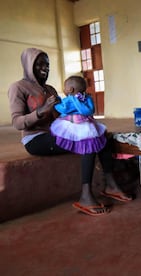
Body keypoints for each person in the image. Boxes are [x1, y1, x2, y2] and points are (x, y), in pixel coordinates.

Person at [8, 48, 132, 217]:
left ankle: (110, 185)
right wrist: (41, 110)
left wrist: (79, 110)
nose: (45, 69)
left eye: (47, 65)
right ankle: (86, 197)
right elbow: (17, 122)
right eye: (39, 65)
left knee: (99, 135)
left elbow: (62, 114)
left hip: (57, 132)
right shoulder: (18, 88)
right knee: (86, 141)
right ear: (29, 65)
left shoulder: (50, 89)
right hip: (35, 138)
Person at [51, 75, 107, 155]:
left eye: (64, 87)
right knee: (88, 136)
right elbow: (91, 110)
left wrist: (57, 103)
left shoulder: (69, 100)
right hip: (87, 123)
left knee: (68, 134)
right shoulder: (88, 98)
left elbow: (63, 109)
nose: (64, 89)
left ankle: (73, 146)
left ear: (70, 89)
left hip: (73, 122)